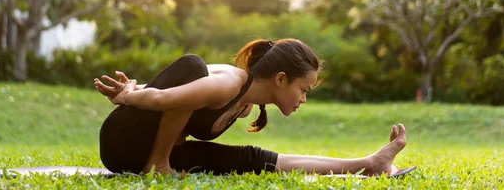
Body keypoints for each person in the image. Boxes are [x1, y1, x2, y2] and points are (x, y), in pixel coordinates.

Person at [93, 38, 407, 176]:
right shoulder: (229, 84)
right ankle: (158, 165)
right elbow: (163, 97)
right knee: (193, 64)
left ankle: (367, 164)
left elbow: (170, 96)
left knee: (249, 159)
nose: (303, 99)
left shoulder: (243, 104)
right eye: (303, 89)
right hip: (123, 142)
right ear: (281, 79)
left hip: (141, 150)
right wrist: (128, 96)